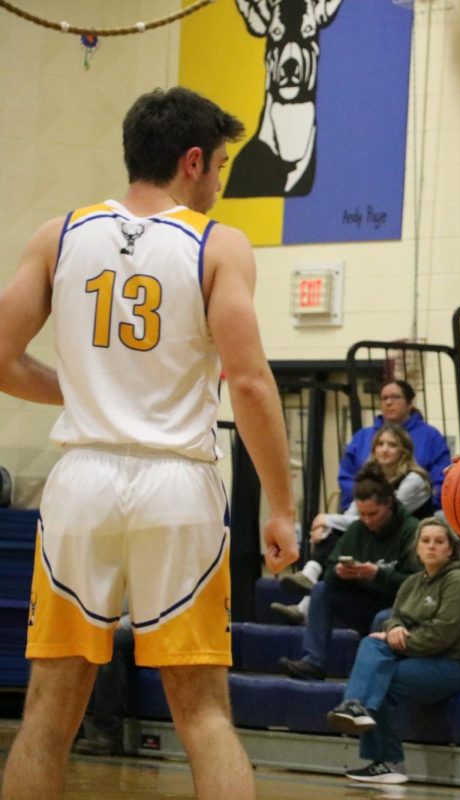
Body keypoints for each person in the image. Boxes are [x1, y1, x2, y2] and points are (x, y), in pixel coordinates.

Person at [0, 87, 297, 800]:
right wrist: (281, 506)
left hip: (81, 484)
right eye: (221, 167)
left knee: (48, 708)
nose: (221, 184)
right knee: (201, 710)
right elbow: (250, 385)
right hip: (177, 485)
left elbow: (3, 358)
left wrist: (89, 394)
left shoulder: (59, 234)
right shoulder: (215, 244)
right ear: (192, 161)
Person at [326, 517, 460, 784]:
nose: (431, 547)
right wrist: (393, 628)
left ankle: (389, 761)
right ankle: (354, 706)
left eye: (439, 542)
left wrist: (397, 640)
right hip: (428, 659)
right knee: (372, 642)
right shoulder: (412, 582)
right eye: (425, 541)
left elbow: (440, 636)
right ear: (416, 547)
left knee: (386, 676)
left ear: (450, 549)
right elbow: (394, 617)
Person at [273, 423, 431, 623]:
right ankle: (306, 592)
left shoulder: (414, 479)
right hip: (375, 535)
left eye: (392, 445)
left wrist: (327, 519)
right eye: (380, 444)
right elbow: (357, 514)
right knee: (330, 533)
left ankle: (308, 585)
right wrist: (327, 525)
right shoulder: (370, 476)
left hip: (404, 537)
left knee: (336, 528)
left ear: (404, 450)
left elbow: (380, 514)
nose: (384, 449)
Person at [279, 465, 419, 681]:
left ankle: (366, 676)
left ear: (389, 504)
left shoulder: (412, 530)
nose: (367, 520)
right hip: (362, 602)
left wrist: (377, 574)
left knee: (383, 617)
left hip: (397, 608)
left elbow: (417, 583)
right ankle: (313, 662)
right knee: (321, 589)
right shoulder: (356, 529)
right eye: (362, 514)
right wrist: (339, 572)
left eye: (373, 513)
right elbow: (331, 570)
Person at [338, 379, 451, 510]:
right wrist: (365, 503)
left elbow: (441, 477)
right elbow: (346, 477)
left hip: (418, 511)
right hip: (362, 509)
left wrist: (431, 506)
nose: (389, 402)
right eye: (384, 398)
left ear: (409, 403)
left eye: (395, 397)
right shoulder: (362, 436)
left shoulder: (431, 436)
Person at [72, 615, 134, 756]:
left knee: (111, 642)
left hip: (148, 627)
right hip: (107, 623)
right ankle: (71, 731)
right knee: (70, 636)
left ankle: (109, 733)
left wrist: (121, 624)